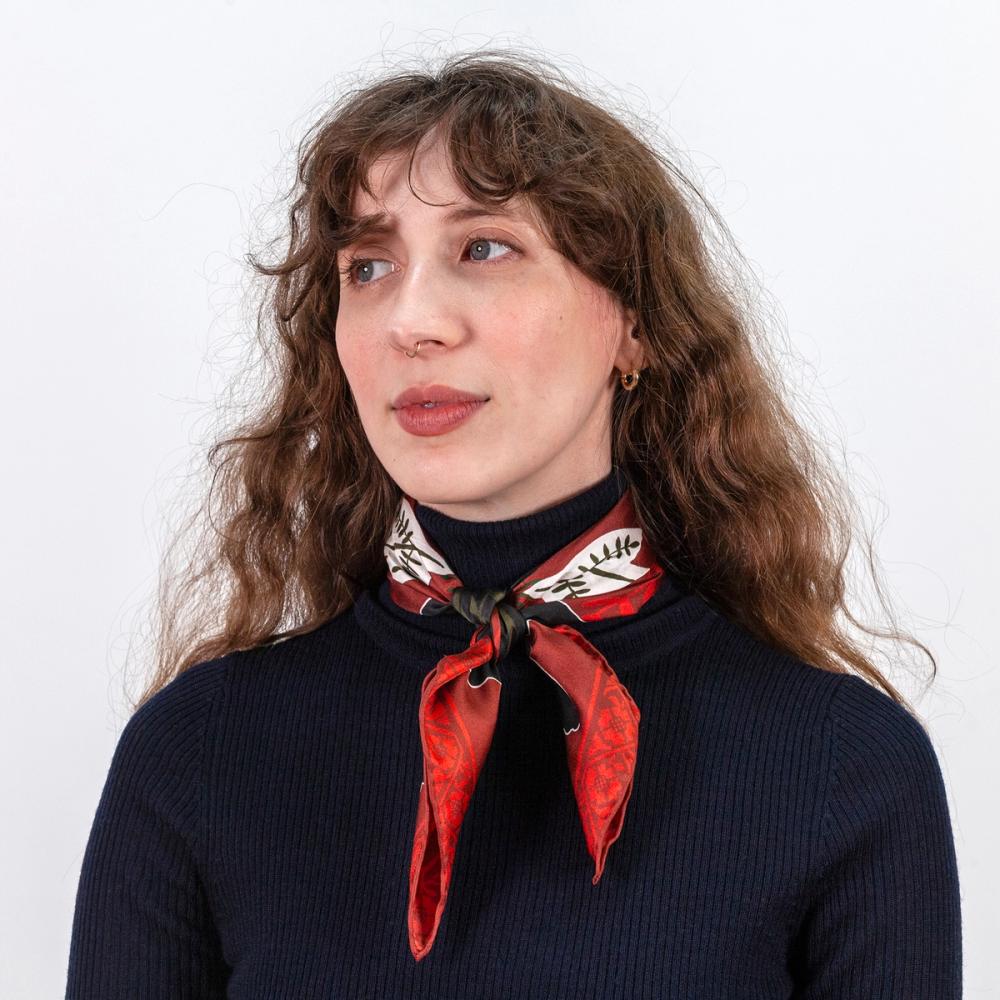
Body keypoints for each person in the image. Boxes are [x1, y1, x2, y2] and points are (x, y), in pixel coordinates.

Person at [64, 50, 963, 998]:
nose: (412, 320)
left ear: (635, 325)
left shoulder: (842, 768)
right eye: (368, 266)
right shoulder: (201, 752)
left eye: (483, 247)